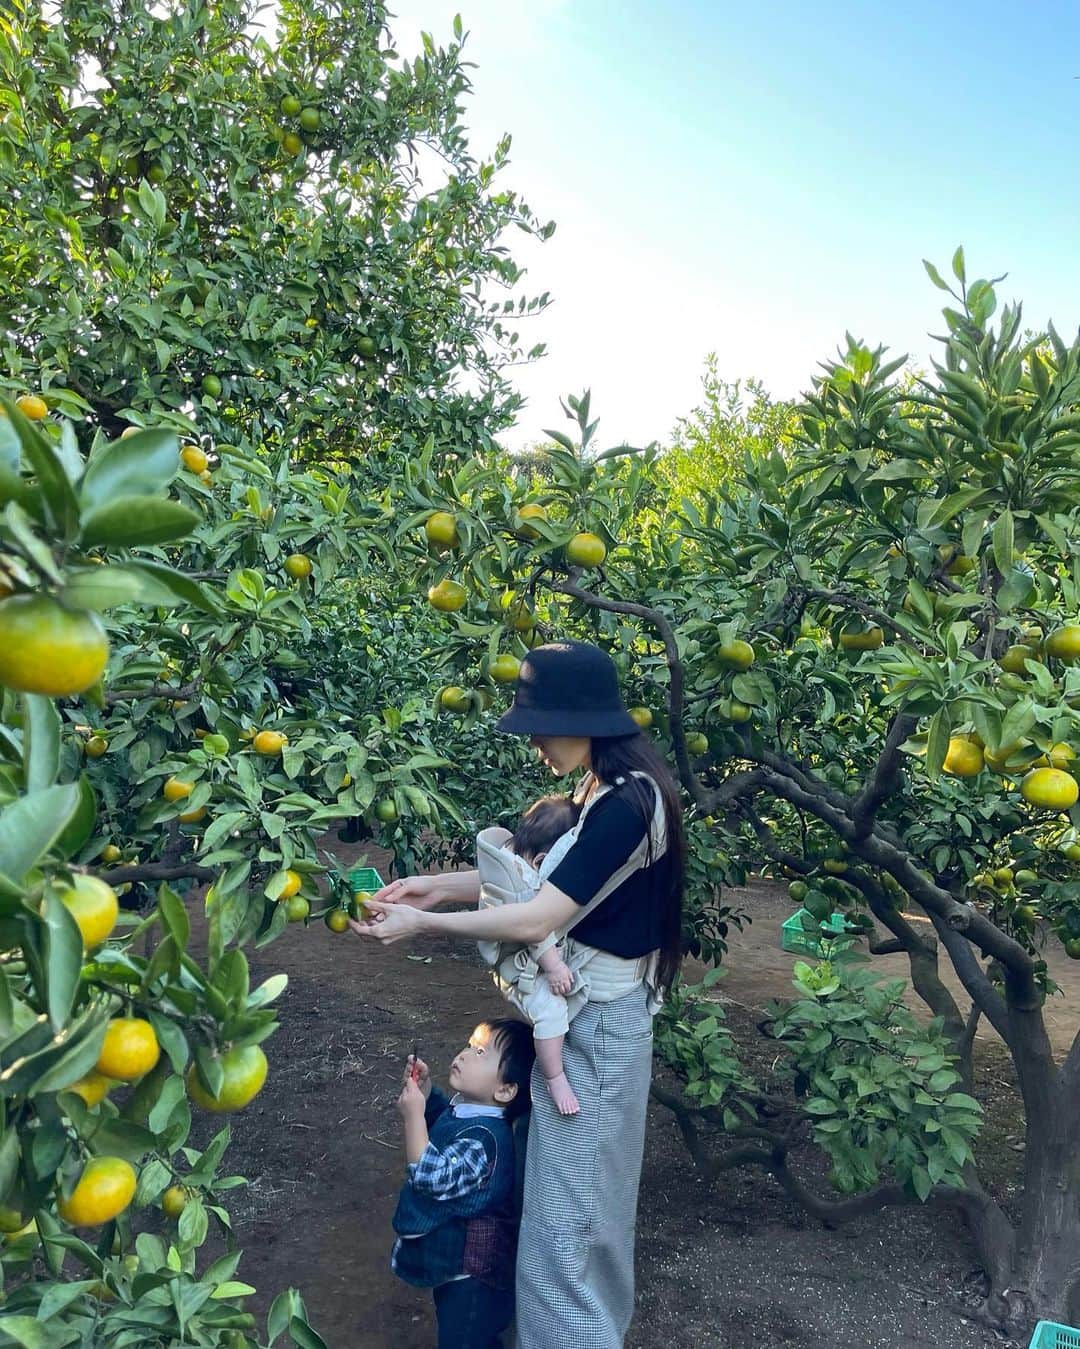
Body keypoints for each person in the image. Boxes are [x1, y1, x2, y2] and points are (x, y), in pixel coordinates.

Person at [352, 640, 687, 1349]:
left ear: (582, 718)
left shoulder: (631, 803)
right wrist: (436, 884)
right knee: (568, 1227)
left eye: (539, 725)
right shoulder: (598, 789)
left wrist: (425, 925)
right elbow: (538, 882)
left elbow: (539, 916)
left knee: (567, 1242)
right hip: (579, 1024)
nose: (533, 742)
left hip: (597, 1035)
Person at [391, 1018, 536, 1349]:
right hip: (457, 1271)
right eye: (470, 1044)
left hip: (475, 1280)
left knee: (466, 1339)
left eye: (481, 1051)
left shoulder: (486, 1143)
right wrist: (426, 1093)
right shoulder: (473, 1111)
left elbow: (431, 1177)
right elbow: (443, 1120)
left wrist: (413, 1117)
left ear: (505, 1090)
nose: (466, 1054)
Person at [476, 794, 584, 1115]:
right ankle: (555, 1076)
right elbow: (534, 929)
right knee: (551, 1014)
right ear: (540, 861)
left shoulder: (509, 865)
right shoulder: (524, 884)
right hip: (519, 969)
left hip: (512, 961)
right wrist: (553, 967)